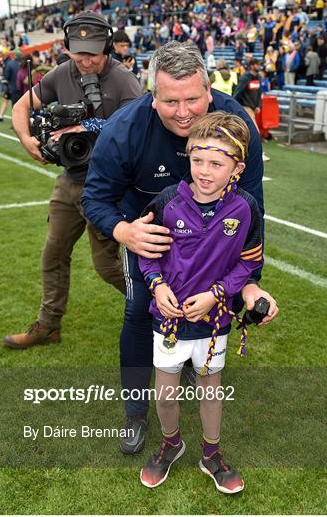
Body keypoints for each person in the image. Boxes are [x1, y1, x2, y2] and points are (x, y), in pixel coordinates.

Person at [82, 40, 279, 455]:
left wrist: (249, 285)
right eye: (171, 101)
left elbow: (253, 212)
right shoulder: (125, 129)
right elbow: (94, 198)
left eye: (193, 98)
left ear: (209, 91)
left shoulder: (236, 124)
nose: (184, 111)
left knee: (208, 306)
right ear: (153, 98)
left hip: (213, 244)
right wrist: (124, 233)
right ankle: (135, 413)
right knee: (138, 312)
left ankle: (192, 364)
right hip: (150, 239)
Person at [138, 111, 263, 494]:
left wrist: (216, 295)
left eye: (216, 163)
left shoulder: (245, 209)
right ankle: (172, 443)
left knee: (211, 387)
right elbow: (146, 251)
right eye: (197, 160)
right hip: (169, 319)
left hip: (214, 322)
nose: (204, 171)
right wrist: (157, 285)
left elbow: (250, 262)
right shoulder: (167, 201)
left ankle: (211, 453)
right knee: (165, 392)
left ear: (237, 167)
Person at [3, 12, 142, 349]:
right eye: (79, 51)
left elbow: (140, 128)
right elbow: (21, 107)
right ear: (67, 48)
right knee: (53, 254)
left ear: (107, 46)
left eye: (93, 51)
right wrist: (26, 139)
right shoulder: (61, 73)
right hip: (69, 179)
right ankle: (48, 326)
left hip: (107, 186)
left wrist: (89, 127)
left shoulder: (124, 80)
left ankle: (159, 307)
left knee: (107, 266)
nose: (85, 58)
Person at [0, 48, 22, 122]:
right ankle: (1, 116)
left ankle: (15, 121)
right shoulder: (17, 62)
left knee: (15, 104)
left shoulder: (10, 62)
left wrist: (3, 75)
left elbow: (7, 76)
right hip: (17, 86)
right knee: (5, 99)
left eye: (1, 52)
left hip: (12, 86)